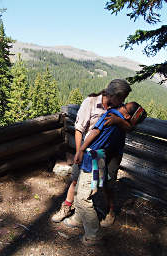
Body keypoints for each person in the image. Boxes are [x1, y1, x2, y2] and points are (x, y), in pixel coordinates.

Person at [64, 102, 147, 246]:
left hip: (99, 157)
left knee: (93, 192)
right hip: (97, 156)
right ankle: (78, 217)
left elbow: (97, 131)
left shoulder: (115, 118)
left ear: (127, 116)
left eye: (124, 106)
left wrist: (82, 149)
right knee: (82, 191)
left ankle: (97, 228)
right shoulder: (115, 114)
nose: (121, 105)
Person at [51, 79, 132, 224]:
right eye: (121, 98)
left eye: (124, 98)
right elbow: (79, 129)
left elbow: (129, 126)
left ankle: (110, 211)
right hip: (90, 150)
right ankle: (68, 207)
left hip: (112, 152)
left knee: (107, 183)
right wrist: (79, 151)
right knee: (77, 178)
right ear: (111, 94)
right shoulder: (91, 102)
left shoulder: (120, 108)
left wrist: (118, 121)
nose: (123, 101)